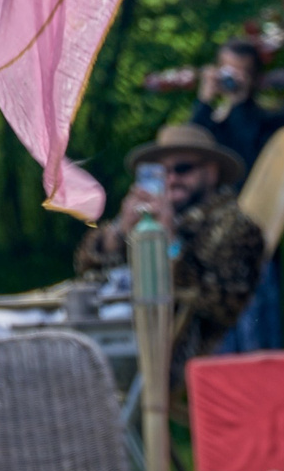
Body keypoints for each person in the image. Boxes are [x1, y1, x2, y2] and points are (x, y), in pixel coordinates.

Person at [77, 122, 267, 367]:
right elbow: (89, 271)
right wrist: (119, 230)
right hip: (118, 337)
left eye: (183, 169)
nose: (171, 179)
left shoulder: (236, 226)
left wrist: (170, 241)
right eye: (161, 172)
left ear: (211, 173)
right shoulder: (149, 218)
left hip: (178, 354)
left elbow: (222, 303)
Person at [198, 39, 284, 351]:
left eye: (241, 72)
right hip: (210, 248)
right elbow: (189, 157)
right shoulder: (211, 123)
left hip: (255, 248)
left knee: (257, 344)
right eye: (226, 70)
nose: (231, 78)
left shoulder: (269, 124)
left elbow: (248, 165)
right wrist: (205, 101)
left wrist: (239, 102)